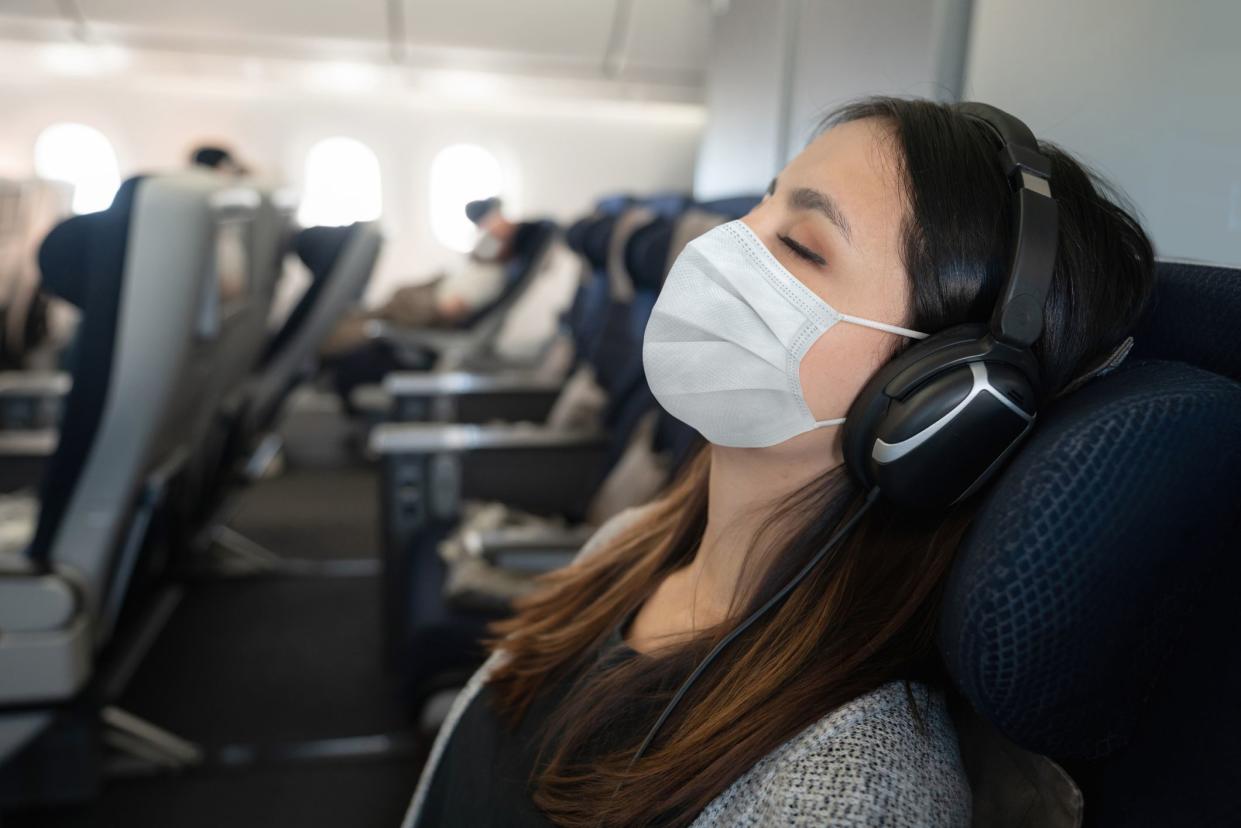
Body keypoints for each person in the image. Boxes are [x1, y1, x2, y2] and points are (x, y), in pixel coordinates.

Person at [403, 96, 1156, 827]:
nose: (713, 251)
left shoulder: (844, 791)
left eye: (799, 245)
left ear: (939, 404)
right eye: (754, 211)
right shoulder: (629, 545)